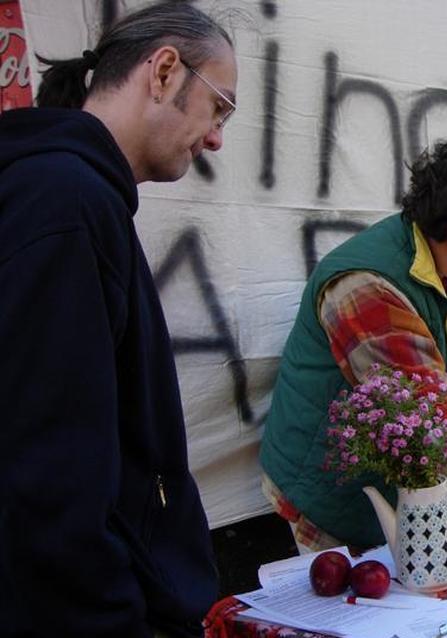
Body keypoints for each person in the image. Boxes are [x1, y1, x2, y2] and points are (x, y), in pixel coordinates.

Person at [0, 3, 237, 636]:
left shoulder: (76, 194)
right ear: (163, 72)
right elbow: (51, 469)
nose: (216, 137)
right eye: (219, 106)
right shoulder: (65, 202)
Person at [261, 136, 447, 576]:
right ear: (437, 222)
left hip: (400, 483)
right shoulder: (366, 285)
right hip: (325, 488)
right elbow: (428, 408)